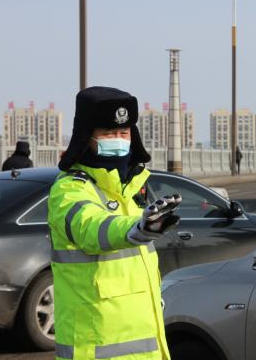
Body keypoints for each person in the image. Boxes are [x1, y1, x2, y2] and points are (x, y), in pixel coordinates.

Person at [48, 86, 181, 360]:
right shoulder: (70, 190)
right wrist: (134, 230)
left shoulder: (131, 191)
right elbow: (91, 227)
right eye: (108, 134)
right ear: (87, 137)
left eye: (124, 133)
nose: (118, 140)